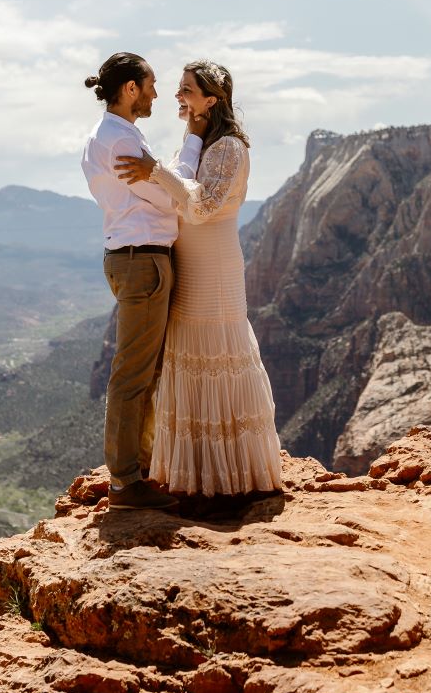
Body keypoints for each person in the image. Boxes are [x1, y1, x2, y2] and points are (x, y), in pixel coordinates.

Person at [114, 60, 284, 507]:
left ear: (212, 99)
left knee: (218, 354)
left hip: (215, 267)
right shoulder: (199, 142)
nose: (178, 96)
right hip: (187, 264)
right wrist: (165, 169)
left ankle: (230, 475)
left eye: (187, 90)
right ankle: (197, 471)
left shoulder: (229, 147)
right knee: (189, 356)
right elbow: (179, 194)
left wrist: (155, 172)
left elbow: (202, 208)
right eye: (178, 88)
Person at [79, 51, 202, 510]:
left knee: (143, 371)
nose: (155, 92)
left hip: (129, 257)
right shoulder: (121, 143)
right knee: (134, 374)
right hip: (143, 262)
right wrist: (190, 138)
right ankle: (127, 482)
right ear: (130, 88)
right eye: (150, 84)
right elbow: (173, 194)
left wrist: (161, 181)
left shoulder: (109, 136)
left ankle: (138, 469)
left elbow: (159, 192)